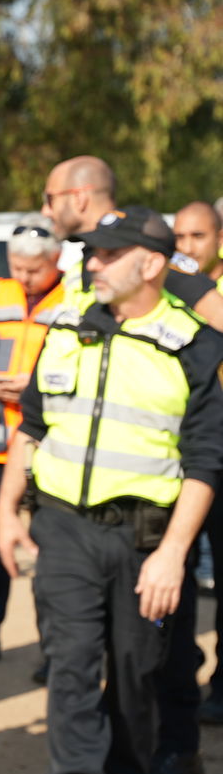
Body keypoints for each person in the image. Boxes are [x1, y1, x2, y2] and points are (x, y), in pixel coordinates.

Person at [0, 205, 223, 774]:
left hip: (145, 544)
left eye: (107, 254)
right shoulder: (67, 324)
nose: (90, 263)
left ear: (151, 264)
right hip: (65, 530)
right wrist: (6, 509)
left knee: (133, 681)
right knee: (69, 672)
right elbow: (36, 425)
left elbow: (206, 462)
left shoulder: (197, 347)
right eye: (90, 252)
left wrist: (174, 555)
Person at [0, 214, 63, 664]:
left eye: (32, 269)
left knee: (51, 553)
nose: (22, 276)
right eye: (16, 266)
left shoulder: (73, 300)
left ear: (56, 259)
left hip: (48, 450)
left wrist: (37, 385)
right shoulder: (0, 292)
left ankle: (54, 652)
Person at [40, 156, 223, 330]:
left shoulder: (142, 248)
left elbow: (217, 314)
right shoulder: (84, 258)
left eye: (50, 199)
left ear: (79, 198)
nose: (45, 211)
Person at [174, 200, 223, 730]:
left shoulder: (200, 291)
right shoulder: (170, 288)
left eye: (199, 236)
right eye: (180, 238)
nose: (188, 248)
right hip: (182, 449)